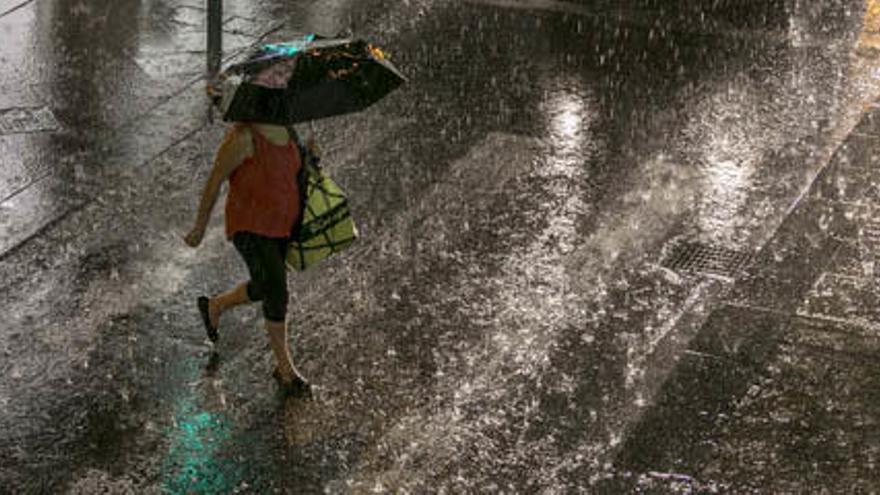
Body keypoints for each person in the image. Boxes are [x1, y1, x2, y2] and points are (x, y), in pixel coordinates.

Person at [184, 119, 314, 398]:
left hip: (282, 224)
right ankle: (285, 370)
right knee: (276, 289)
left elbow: (294, 174)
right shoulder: (243, 137)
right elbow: (215, 180)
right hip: (250, 225)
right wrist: (199, 227)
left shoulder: (289, 131)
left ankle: (215, 306)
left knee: (266, 283)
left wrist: (310, 157)